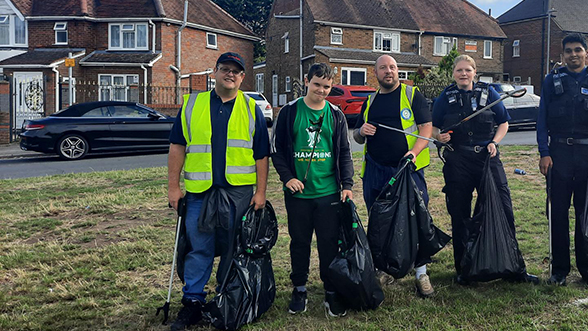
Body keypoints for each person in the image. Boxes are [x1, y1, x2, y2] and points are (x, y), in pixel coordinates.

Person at [166, 52, 269, 330]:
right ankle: (193, 303)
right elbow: (177, 146)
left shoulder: (251, 108)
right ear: (215, 72)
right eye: (225, 69)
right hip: (200, 193)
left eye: (236, 71)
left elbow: (261, 154)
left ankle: (225, 299)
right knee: (199, 248)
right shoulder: (192, 104)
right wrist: (173, 187)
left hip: (238, 194)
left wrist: (261, 192)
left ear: (242, 77)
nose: (230, 74)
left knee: (234, 248)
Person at [432, 55, 539, 286]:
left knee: (503, 208)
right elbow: (433, 126)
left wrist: (495, 142)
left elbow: (503, 122)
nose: (463, 74)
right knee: (460, 215)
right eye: (459, 70)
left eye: (468, 70)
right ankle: (465, 270)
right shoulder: (445, 98)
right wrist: (438, 136)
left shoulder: (489, 94)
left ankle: (513, 267)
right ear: (453, 73)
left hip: (487, 159)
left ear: (474, 72)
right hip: (458, 160)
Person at [270, 63, 354, 317]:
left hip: (328, 193)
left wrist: (347, 185)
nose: (321, 90)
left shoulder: (336, 114)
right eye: (317, 84)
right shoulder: (290, 112)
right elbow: (277, 150)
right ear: (307, 81)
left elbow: (345, 154)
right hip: (299, 195)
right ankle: (299, 288)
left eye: (327, 86)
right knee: (300, 242)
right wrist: (287, 178)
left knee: (329, 244)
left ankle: (331, 290)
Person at [352, 55, 435, 297]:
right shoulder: (370, 101)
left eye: (393, 67)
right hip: (376, 171)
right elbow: (357, 136)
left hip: (407, 171)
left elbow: (426, 128)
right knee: (379, 223)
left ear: (398, 71)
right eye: (383, 68)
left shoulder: (412, 95)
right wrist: (361, 131)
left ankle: (421, 273)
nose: (389, 71)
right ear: (375, 73)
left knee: (417, 220)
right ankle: (385, 268)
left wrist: (413, 153)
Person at [537, 33, 588, 288]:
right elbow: (542, 121)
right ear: (562, 55)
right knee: (557, 214)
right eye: (568, 51)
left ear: (586, 53)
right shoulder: (551, 81)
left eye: (578, 50)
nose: (573, 54)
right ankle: (559, 269)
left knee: (586, 215)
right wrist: (544, 152)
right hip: (558, 156)